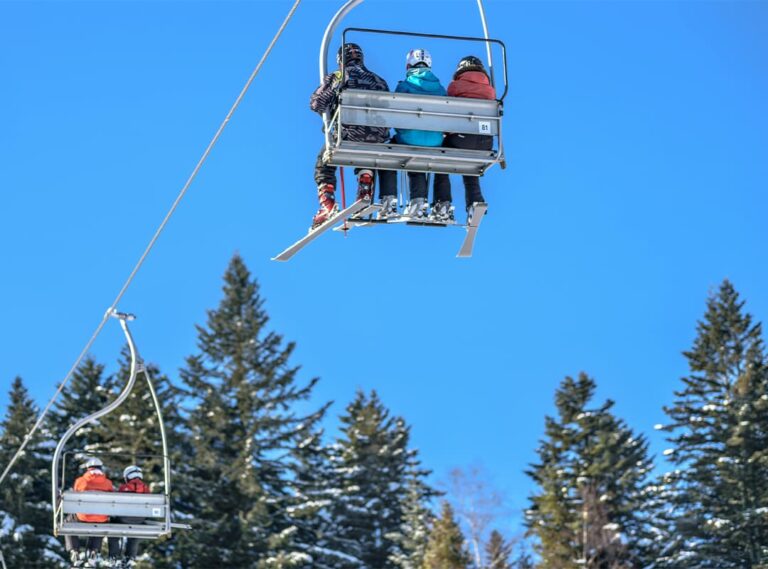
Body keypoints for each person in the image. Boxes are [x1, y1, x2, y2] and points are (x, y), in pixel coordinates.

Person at [309, 42, 396, 228]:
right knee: (366, 148)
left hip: (348, 134)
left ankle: (327, 204)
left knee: (323, 163)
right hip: (377, 137)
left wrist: (329, 111)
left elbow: (317, 103)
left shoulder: (340, 75)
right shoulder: (379, 81)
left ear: (341, 59)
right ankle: (365, 186)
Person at [432, 56, 497, 222]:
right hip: (485, 142)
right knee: (470, 166)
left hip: (461, 138)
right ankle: (475, 202)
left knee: (441, 160)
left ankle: (442, 202)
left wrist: (446, 132)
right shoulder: (491, 91)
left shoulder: (455, 86)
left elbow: (450, 112)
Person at [391, 48, 447, 220]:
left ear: (409, 65)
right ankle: (442, 204)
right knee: (437, 159)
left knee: (407, 152)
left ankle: (416, 201)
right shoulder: (441, 89)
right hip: (436, 141)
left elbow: (394, 115)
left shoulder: (404, 86)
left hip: (410, 138)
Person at [65, 457, 121, 567]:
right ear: (101, 468)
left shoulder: (80, 481)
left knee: (67, 523)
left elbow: (75, 496)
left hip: (83, 517)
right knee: (99, 521)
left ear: (87, 469)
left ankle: (74, 550)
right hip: (101, 518)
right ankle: (94, 551)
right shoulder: (108, 483)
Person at [117, 465, 151, 562]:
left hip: (124, 519)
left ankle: (114, 556)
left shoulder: (124, 487)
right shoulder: (146, 488)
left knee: (113, 526)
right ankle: (130, 558)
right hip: (140, 519)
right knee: (136, 531)